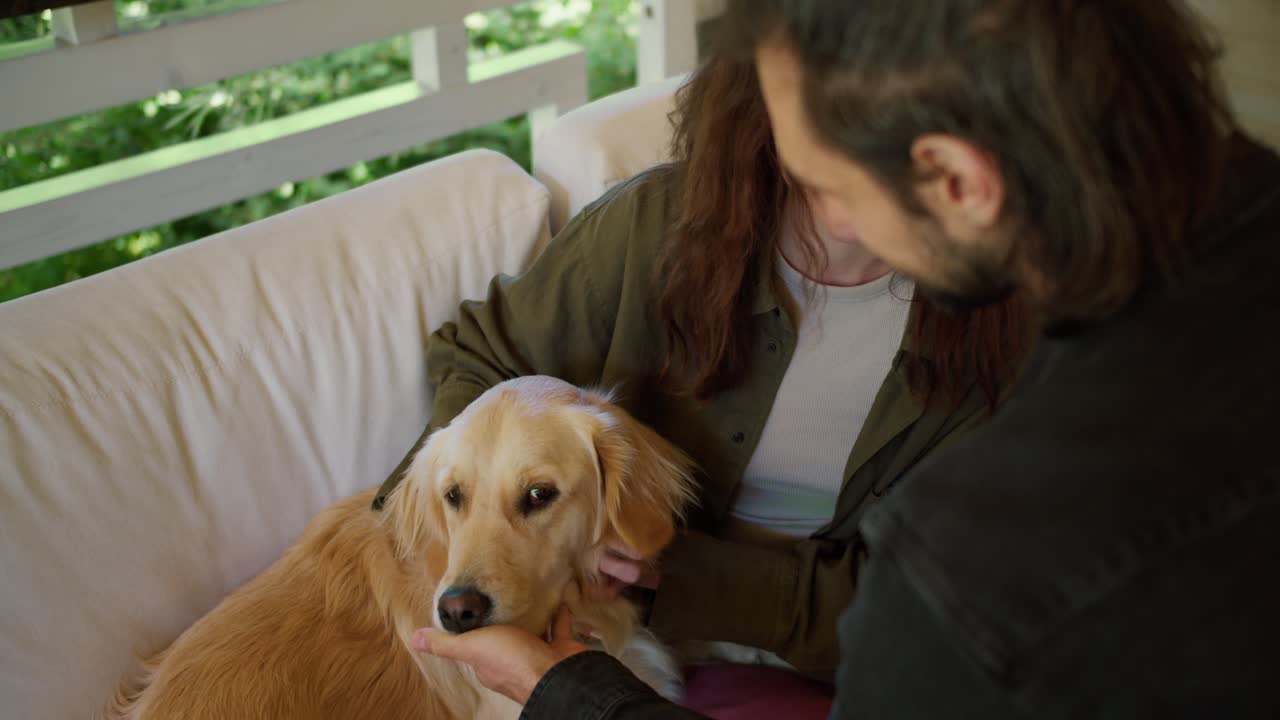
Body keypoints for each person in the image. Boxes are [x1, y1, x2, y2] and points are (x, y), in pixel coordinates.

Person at [408, 0, 1280, 718]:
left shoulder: (965, 570)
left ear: (955, 180)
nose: (818, 216)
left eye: (828, 181)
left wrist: (564, 693)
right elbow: (477, 356)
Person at [371, 12, 1027, 717]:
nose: (863, 155)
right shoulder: (652, 226)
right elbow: (477, 356)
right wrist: (474, 512)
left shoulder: (1012, 329)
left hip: (823, 657)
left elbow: (945, 606)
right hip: (625, 646)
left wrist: (681, 578)